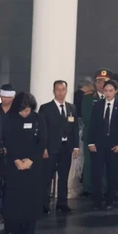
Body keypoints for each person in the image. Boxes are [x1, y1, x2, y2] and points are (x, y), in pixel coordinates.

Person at [2, 92, 47, 234]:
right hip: (14, 164)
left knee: (30, 196)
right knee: (13, 196)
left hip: (32, 164)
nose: (24, 113)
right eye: (21, 110)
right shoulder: (10, 118)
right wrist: (15, 159)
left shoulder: (39, 119)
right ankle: (11, 227)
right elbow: (7, 140)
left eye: (27, 110)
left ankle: (28, 229)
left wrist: (31, 160)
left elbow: (42, 141)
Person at [39, 80, 79, 213]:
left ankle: (62, 203)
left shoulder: (71, 108)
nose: (61, 92)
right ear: (53, 91)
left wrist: (76, 147)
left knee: (64, 176)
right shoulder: (45, 108)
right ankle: (44, 204)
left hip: (66, 147)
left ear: (66, 91)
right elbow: (42, 130)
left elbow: (75, 129)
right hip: (50, 148)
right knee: (46, 176)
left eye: (63, 89)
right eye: (58, 89)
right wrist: (43, 147)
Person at [87, 79, 118, 210]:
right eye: (106, 90)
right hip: (98, 144)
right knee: (96, 173)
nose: (108, 93)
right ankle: (97, 200)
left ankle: (110, 200)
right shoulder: (98, 105)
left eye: (111, 91)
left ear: (116, 91)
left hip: (114, 145)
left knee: (112, 173)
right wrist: (90, 142)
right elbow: (92, 124)